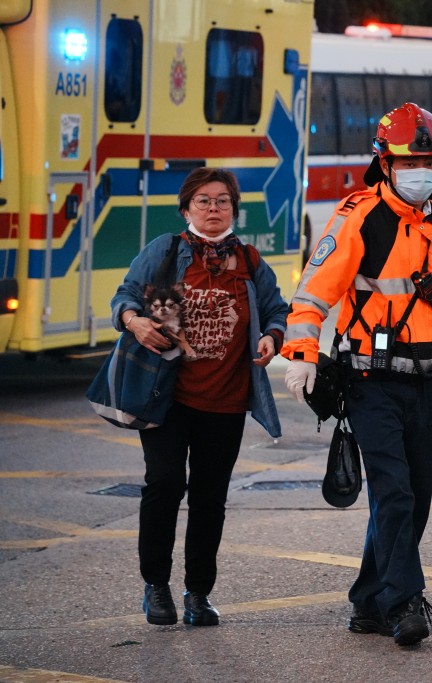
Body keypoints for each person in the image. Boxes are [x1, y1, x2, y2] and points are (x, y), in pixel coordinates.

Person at [281, 102, 432, 647]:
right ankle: (404, 600)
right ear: (384, 163)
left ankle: (368, 601)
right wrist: (302, 355)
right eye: (412, 162)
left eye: (431, 162)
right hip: (369, 380)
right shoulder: (358, 217)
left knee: (416, 497)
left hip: (424, 380)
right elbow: (313, 294)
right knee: (395, 493)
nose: (423, 171)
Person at [111, 167, 289, 627]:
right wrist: (134, 321)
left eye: (223, 201)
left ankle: (198, 593)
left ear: (234, 207)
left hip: (226, 401)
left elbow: (275, 308)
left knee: (210, 498)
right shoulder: (167, 251)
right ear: (187, 207)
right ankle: (155, 586)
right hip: (167, 397)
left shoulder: (249, 259)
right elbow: (125, 295)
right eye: (204, 201)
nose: (214, 209)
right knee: (165, 483)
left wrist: (272, 336)